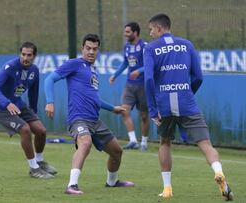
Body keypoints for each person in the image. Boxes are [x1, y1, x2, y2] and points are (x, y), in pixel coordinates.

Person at [144, 13, 233, 200]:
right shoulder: (187, 45)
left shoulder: (150, 48)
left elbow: (149, 79)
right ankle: (218, 172)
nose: (150, 33)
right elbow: (198, 77)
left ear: (159, 28)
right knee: (206, 144)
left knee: (165, 142)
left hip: (164, 106)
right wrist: (188, 93)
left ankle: (167, 189)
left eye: (151, 29)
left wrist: (153, 108)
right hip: (187, 103)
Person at [45, 34, 135, 195]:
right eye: (88, 48)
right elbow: (49, 79)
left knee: (117, 151)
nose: (91, 52)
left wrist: (112, 108)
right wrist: (50, 101)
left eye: (94, 49)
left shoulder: (93, 71)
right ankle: (71, 186)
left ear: (98, 50)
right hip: (78, 119)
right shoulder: (75, 64)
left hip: (95, 121)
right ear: (82, 48)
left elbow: (95, 99)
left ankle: (112, 182)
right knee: (85, 143)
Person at [0, 41, 57, 179]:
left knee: (41, 130)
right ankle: (34, 169)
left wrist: (34, 111)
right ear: (20, 54)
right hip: (1, 108)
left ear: (34, 56)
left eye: (29, 55)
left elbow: (33, 92)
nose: (25, 58)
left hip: (19, 105)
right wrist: (7, 103)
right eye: (23, 54)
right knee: (25, 130)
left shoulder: (34, 70)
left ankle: (39, 162)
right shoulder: (10, 67)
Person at [109, 22, 149, 151]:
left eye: (127, 32)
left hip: (143, 85)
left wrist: (139, 71)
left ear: (135, 33)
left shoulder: (144, 46)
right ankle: (133, 141)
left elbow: (150, 64)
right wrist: (115, 75)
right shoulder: (126, 47)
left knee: (143, 115)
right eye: (125, 31)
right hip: (129, 85)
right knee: (124, 111)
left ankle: (144, 142)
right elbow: (125, 63)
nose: (125, 34)